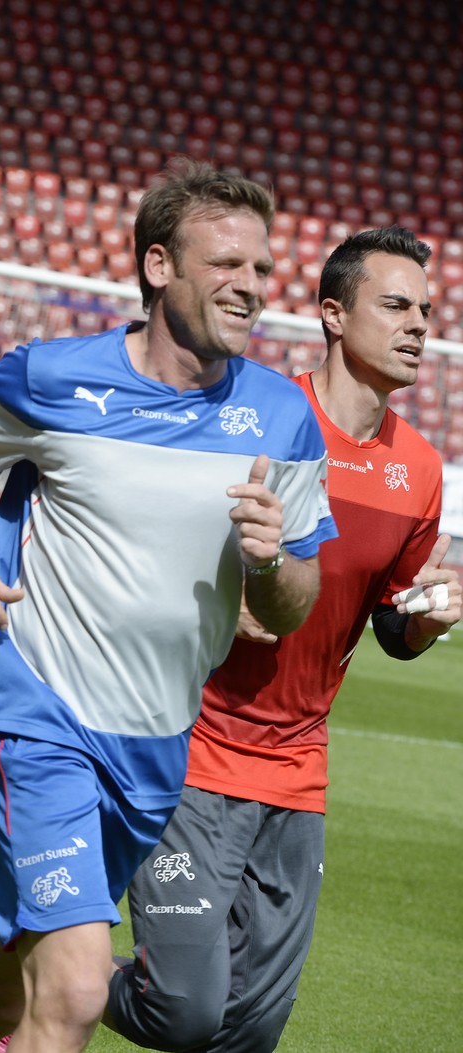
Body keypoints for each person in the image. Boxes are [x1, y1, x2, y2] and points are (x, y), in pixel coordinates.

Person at [0, 158, 337, 1053]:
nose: (250, 287)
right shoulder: (50, 377)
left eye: (260, 269)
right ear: (160, 266)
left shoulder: (282, 416)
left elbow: (291, 608)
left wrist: (268, 558)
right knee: (77, 989)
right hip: (29, 711)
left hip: (155, 745)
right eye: (227, 265)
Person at [105, 226, 459, 1052]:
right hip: (186, 747)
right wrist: (227, 604)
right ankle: (50, 979)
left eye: (427, 311)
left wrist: (427, 620)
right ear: (334, 314)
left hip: (297, 771)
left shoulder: (422, 470)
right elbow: (143, 550)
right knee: (184, 1008)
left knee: (249, 1031)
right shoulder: (253, 414)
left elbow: (389, 625)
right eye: (396, 306)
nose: (419, 326)